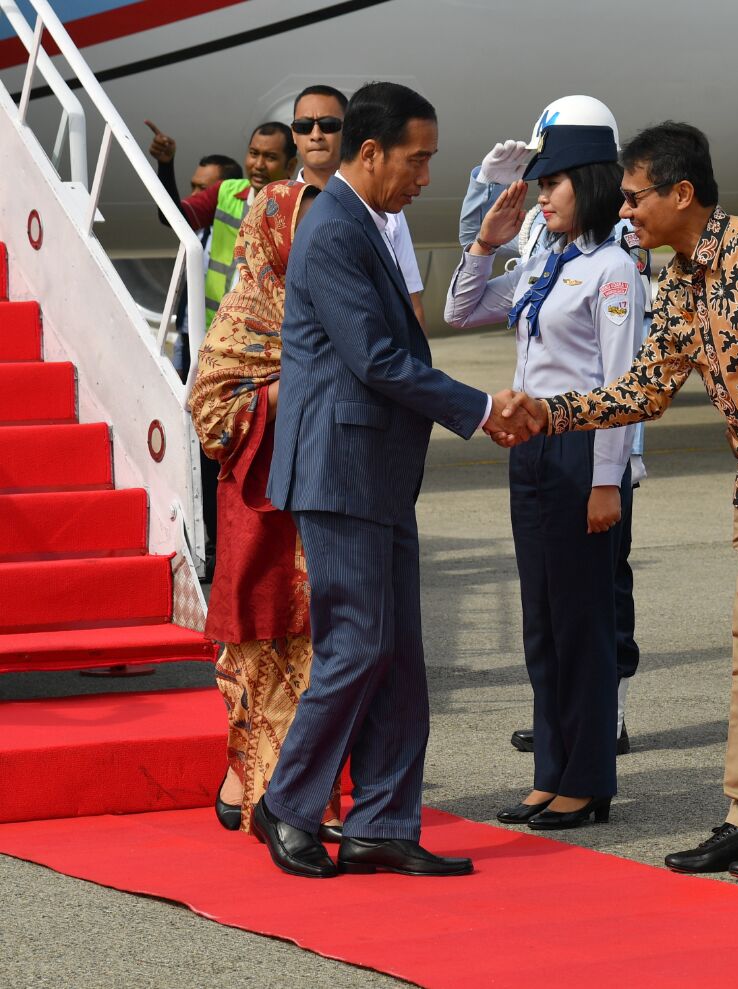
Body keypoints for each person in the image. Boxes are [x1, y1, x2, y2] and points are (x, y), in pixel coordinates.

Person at [503, 121, 738, 882]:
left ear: (682, 193)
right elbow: (647, 389)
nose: (628, 210)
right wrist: (553, 413)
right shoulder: (677, 279)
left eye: (637, 197)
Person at [257, 81, 532, 880]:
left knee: (400, 654)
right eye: (418, 160)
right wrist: (481, 408)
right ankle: (290, 802)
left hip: (376, 468)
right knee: (357, 644)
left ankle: (382, 819)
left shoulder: (368, 221)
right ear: (369, 151)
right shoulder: (336, 227)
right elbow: (377, 359)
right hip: (340, 469)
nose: (425, 177)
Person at [444, 123, 644, 830]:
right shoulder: (542, 259)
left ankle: (587, 780)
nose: (541, 199)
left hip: (582, 444)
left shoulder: (614, 269)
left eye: (552, 185)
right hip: (529, 447)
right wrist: (486, 243)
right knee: (543, 620)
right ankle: (550, 771)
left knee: (584, 618)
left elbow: (623, 383)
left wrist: (606, 481)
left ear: (586, 182)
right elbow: (459, 309)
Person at [187, 180, 342, 839]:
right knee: (263, 658)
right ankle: (278, 802)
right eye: (298, 227)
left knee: (314, 656)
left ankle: (289, 801)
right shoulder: (242, 316)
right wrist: (282, 393)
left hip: (323, 504)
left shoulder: (326, 304)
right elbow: (210, 417)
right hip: (263, 513)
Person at [290, 84, 428, 331]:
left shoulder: (387, 209)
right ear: (293, 134)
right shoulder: (277, 208)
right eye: (303, 126)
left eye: (329, 125)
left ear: (349, 131)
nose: (316, 135)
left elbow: (410, 298)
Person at [146, 119, 296, 331]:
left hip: (262, 337)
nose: (258, 164)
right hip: (215, 329)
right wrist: (165, 165)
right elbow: (172, 218)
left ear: (290, 165)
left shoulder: (299, 206)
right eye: (254, 153)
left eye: (270, 157)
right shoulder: (226, 191)